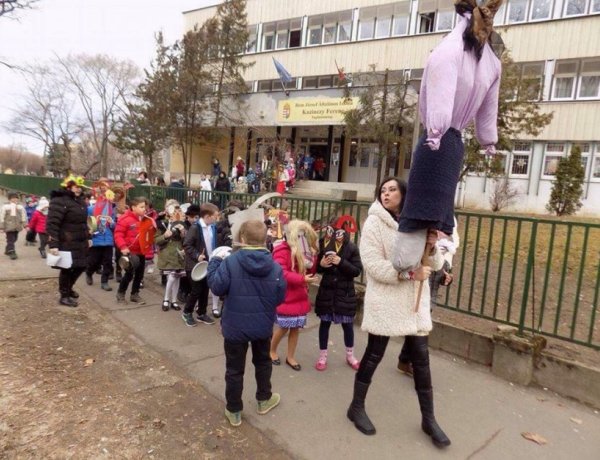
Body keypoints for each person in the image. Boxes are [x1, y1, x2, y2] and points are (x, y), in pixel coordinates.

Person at [393, 0, 503, 273]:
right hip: (454, 146)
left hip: (436, 143)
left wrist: (436, 129)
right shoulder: (492, 64)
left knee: (407, 250)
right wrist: (488, 140)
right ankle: (427, 255)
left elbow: (441, 100)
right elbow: (489, 111)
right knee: (434, 227)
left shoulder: (448, 51)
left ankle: (416, 263)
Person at [347, 177, 450, 449]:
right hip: (386, 300)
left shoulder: (418, 223)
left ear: (404, 194)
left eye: (392, 189)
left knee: (422, 361)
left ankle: (429, 419)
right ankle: (356, 407)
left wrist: (431, 245)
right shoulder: (374, 223)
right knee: (373, 355)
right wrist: (407, 274)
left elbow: (437, 263)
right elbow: (372, 265)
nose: (386, 193)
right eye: (383, 189)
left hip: (414, 304)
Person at [207, 219, 287, 427]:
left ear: (242, 238)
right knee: (263, 363)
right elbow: (279, 297)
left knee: (234, 369)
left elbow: (216, 287)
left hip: (235, 326)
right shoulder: (276, 267)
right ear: (265, 239)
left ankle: (234, 410)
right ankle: (264, 399)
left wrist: (214, 262)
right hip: (262, 325)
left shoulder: (230, 261)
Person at [270, 219, 318, 371]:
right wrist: (302, 279)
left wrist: (313, 257)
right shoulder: (281, 251)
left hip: (300, 295)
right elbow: (281, 272)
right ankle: (271, 350)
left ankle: (290, 357)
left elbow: (310, 270)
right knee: (283, 327)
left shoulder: (303, 250)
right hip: (287, 296)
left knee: (296, 328)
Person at [314, 218, 363, 371]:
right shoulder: (323, 243)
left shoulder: (351, 247)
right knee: (324, 324)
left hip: (345, 293)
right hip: (327, 291)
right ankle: (322, 356)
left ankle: (350, 355)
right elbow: (317, 268)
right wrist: (320, 265)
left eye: (339, 232)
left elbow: (356, 271)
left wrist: (340, 261)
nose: (335, 235)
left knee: (348, 325)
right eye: (332, 231)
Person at [45, 176, 91, 307]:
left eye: (80, 187)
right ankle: (64, 295)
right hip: (66, 240)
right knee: (67, 268)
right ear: (68, 186)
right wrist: (53, 244)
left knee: (82, 265)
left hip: (80, 240)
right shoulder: (59, 201)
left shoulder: (80, 201)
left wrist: (88, 237)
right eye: (76, 186)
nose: (79, 189)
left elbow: (83, 222)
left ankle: (69, 287)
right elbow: (52, 224)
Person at [181, 202, 220, 327]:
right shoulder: (195, 228)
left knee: (205, 289)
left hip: (207, 263)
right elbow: (187, 245)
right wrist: (197, 255)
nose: (217, 218)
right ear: (207, 216)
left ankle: (201, 312)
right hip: (194, 265)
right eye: (215, 216)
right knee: (196, 290)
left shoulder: (212, 227)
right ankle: (187, 312)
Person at [114, 196, 154, 305]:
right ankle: (120, 294)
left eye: (145, 207)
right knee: (129, 274)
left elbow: (148, 235)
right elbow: (118, 234)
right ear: (133, 207)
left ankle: (134, 294)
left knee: (140, 275)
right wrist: (123, 247)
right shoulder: (125, 219)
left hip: (141, 251)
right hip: (130, 252)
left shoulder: (146, 219)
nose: (144, 209)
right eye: (141, 207)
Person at [155, 200, 187, 312]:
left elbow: (186, 240)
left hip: (179, 253)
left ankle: (173, 300)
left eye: (176, 209)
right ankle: (166, 299)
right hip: (167, 254)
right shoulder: (162, 223)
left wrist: (183, 233)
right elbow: (156, 240)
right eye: (172, 209)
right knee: (172, 276)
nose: (175, 211)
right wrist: (165, 236)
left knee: (176, 277)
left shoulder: (182, 222)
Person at [85, 185, 116, 292]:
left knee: (108, 262)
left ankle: (104, 281)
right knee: (94, 262)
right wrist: (89, 232)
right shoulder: (90, 209)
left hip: (108, 240)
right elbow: (87, 223)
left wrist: (112, 223)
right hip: (96, 239)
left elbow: (114, 226)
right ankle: (89, 273)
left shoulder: (110, 210)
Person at [1, 191, 27, 260]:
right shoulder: (5, 207)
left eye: (16, 198)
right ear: (9, 199)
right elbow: (1, 217)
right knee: (11, 240)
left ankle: (7, 250)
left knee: (14, 239)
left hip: (17, 227)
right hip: (8, 227)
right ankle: (12, 252)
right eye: (13, 198)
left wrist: (25, 225)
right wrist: (1, 227)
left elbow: (23, 216)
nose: (15, 199)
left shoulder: (20, 207)